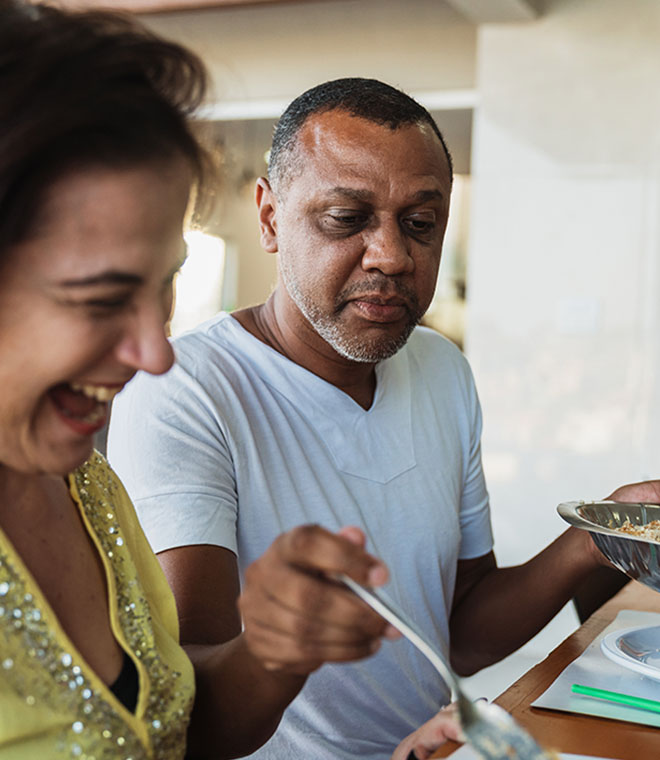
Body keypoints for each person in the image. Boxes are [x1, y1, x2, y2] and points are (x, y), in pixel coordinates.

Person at [107, 77, 633, 759]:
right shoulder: (185, 390)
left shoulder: (442, 369)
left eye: (420, 224)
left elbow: (462, 632)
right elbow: (193, 711)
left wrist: (598, 534)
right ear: (269, 218)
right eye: (346, 218)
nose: (391, 255)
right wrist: (278, 643)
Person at [0, 8, 445, 759]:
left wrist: (274, 649)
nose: (155, 353)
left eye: (165, 283)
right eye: (102, 298)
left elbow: (178, 731)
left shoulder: (86, 489)